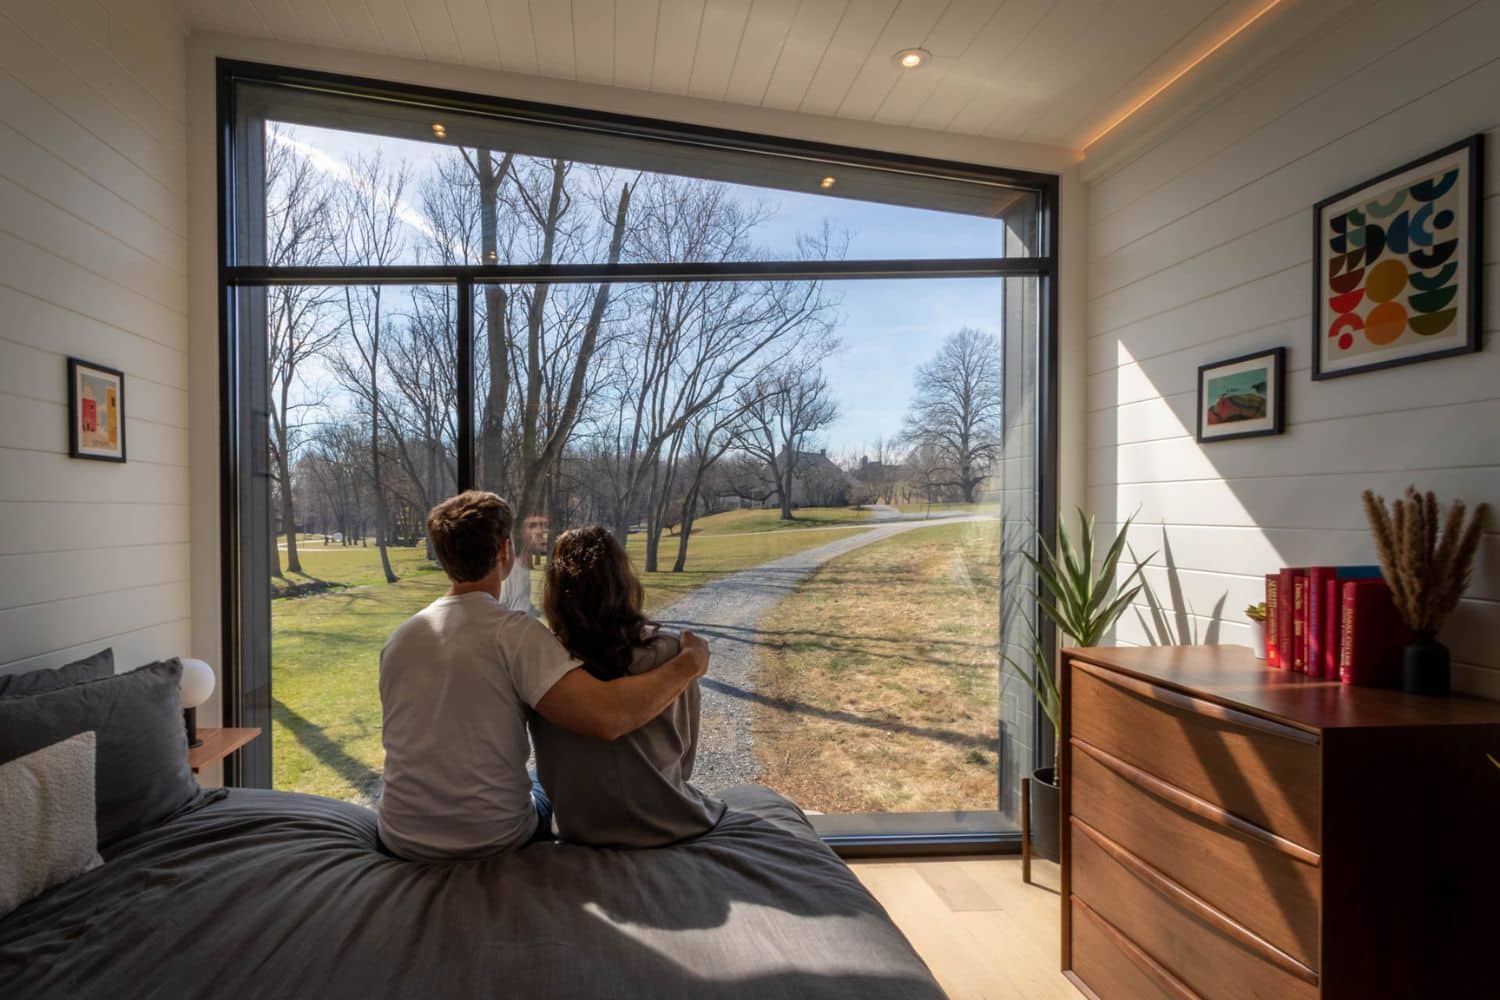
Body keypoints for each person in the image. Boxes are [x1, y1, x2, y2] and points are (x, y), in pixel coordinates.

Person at [377, 492, 710, 862]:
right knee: (541, 788)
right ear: (504, 551)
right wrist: (689, 663)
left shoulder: (399, 639)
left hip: (396, 833)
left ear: (443, 558)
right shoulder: (514, 634)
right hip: (492, 838)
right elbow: (608, 718)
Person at [530, 526, 726, 847]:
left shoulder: (542, 661)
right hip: (671, 826)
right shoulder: (672, 653)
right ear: (624, 583)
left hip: (579, 829)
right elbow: (685, 760)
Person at [499, 513, 548, 617]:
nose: (540, 532)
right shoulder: (508, 573)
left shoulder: (549, 574)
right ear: (520, 533)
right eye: (532, 526)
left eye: (544, 525)